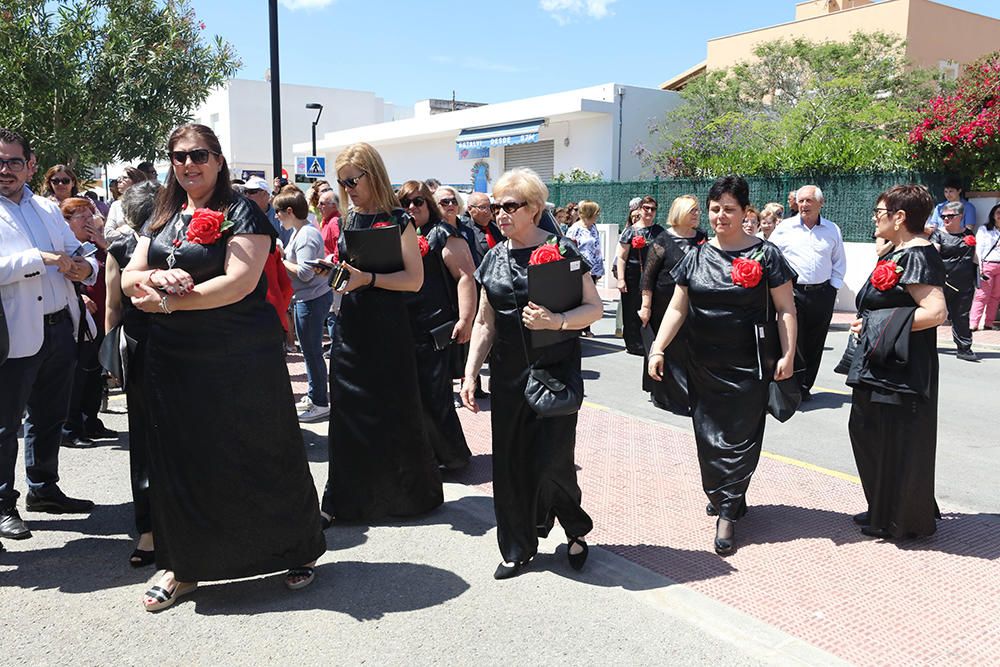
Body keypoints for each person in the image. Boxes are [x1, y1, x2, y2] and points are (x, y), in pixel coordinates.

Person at [120, 123, 324, 610]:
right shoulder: (161, 214)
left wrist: (164, 304)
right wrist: (153, 277)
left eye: (199, 155)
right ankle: (182, 566)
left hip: (239, 357)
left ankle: (293, 549)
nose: (188, 164)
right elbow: (129, 276)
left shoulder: (242, 213)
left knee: (260, 449)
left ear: (217, 160)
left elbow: (237, 283)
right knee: (182, 458)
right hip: (174, 359)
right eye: (179, 156)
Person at [460, 167, 603, 579]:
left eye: (509, 206)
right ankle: (517, 547)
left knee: (553, 463)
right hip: (507, 377)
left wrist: (556, 321)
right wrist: (471, 374)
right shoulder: (494, 256)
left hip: (553, 373)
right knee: (510, 464)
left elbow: (592, 308)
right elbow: (485, 322)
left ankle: (574, 529)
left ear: (535, 209)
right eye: (495, 207)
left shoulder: (562, 250)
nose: (500, 215)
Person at [647, 175, 797, 556]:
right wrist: (658, 348)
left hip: (749, 366)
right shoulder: (696, 255)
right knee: (709, 437)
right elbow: (678, 307)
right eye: (714, 209)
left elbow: (785, 309)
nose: (720, 216)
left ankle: (728, 510)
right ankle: (725, 492)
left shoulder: (766, 255)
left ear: (746, 212)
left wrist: (788, 354)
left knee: (742, 438)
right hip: (703, 365)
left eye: (729, 209)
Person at [318, 142, 443, 524]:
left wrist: (366, 278)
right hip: (352, 326)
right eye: (342, 182)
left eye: (353, 180)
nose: (348, 188)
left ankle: (404, 498)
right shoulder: (347, 219)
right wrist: (335, 273)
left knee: (395, 411)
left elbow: (414, 280)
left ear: (372, 174)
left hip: (389, 327)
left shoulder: (399, 220)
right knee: (348, 412)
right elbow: (350, 274)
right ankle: (345, 501)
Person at [0, 127, 98, 542]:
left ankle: (43, 489)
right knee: (5, 425)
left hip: (59, 325)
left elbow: (78, 254)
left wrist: (84, 268)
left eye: (13, 162)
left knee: (49, 414)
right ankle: (4, 504)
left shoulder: (44, 207)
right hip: (13, 333)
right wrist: (35, 259)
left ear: (30, 165)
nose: (5, 170)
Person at [847, 185, 947, 539]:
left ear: (899, 217)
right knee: (872, 433)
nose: (875, 219)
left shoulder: (917, 254)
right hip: (884, 363)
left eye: (880, 213)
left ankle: (899, 516)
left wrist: (875, 325)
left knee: (893, 437)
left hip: (902, 368)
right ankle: (884, 507)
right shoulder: (899, 252)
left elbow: (935, 312)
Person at [399, 180, 475, 469]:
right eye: (405, 202)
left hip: (436, 328)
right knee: (416, 396)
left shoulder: (443, 233)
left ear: (428, 204)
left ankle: (454, 456)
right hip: (408, 325)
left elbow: (466, 276)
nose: (411, 207)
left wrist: (466, 319)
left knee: (435, 395)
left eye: (418, 201)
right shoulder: (403, 233)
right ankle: (430, 455)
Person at [105, 180, 161, 567]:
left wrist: (112, 362)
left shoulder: (120, 248)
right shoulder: (160, 245)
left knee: (144, 440)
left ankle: (149, 532)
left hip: (141, 347)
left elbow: (112, 308)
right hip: (163, 346)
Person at [768, 185, 846, 401]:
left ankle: (805, 387)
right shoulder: (785, 228)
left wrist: (833, 288)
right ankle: (791, 388)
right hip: (792, 294)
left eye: (809, 201)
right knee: (794, 342)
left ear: (821, 203)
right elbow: (770, 256)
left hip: (822, 293)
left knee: (815, 342)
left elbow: (838, 261)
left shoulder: (832, 230)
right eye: (800, 201)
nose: (803, 205)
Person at [639, 195, 706, 414]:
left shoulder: (702, 238)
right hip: (664, 304)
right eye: (693, 210)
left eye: (698, 211)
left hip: (693, 303)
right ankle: (665, 395)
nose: (697, 214)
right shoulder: (663, 239)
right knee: (667, 348)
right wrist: (646, 306)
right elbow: (648, 277)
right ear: (681, 212)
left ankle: (688, 394)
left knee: (689, 350)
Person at [60, 197, 116, 447]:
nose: (87, 220)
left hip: (100, 319)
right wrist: (80, 295)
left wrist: (104, 243)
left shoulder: (97, 246)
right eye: (80, 216)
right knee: (76, 376)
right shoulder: (65, 247)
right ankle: (70, 428)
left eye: (89, 214)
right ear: (66, 222)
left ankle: (90, 420)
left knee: (94, 374)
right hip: (77, 320)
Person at [275, 187, 334, 423]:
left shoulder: (306, 234)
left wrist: (281, 260)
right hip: (308, 299)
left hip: (311, 299)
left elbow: (305, 273)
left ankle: (320, 401)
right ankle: (315, 396)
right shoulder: (303, 231)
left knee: (312, 353)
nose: (277, 216)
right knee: (311, 353)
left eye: (279, 212)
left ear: (290, 211)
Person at [930, 201, 979, 361]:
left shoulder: (969, 236)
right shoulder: (938, 234)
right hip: (942, 283)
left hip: (964, 283)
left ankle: (964, 348)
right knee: (933, 314)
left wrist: (980, 274)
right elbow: (933, 256)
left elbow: (974, 258)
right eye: (943, 216)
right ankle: (923, 345)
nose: (945, 219)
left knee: (961, 316)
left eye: (950, 216)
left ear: (961, 216)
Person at [435, 186, 475, 380]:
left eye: (453, 201)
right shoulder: (433, 232)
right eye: (444, 202)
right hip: (444, 299)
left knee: (465, 348)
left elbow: (470, 269)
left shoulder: (467, 230)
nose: (450, 205)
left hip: (466, 295)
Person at [617, 196, 664, 355]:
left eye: (653, 209)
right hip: (633, 275)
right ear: (640, 210)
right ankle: (633, 343)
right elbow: (622, 257)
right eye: (646, 208)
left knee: (653, 308)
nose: (649, 212)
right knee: (631, 309)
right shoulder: (630, 231)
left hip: (654, 276)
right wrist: (621, 279)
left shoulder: (660, 231)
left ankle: (650, 341)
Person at [565, 200, 606, 336]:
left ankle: (587, 328)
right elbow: (567, 250)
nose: (598, 215)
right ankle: (576, 327)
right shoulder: (574, 229)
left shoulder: (593, 227)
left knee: (589, 299)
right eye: (596, 213)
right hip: (578, 270)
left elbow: (597, 248)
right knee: (578, 299)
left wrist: (599, 269)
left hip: (592, 269)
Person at [971, 203, 1000, 331]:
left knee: (995, 296)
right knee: (981, 296)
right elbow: (978, 248)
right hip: (987, 265)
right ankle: (973, 323)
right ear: (993, 215)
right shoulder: (984, 229)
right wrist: (980, 266)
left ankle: (989, 323)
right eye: (998, 213)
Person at [103, 167, 148, 239]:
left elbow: (147, 230)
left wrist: (124, 229)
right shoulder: (116, 205)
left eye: (125, 178)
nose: (119, 181)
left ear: (136, 181)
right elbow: (108, 234)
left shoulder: (146, 204)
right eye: (119, 178)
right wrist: (131, 233)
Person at [463, 191, 501, 267]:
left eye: (489, 207)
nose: (487, 211)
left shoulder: (499, 228)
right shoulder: (464, 232)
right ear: (470, 209)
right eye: (482, 207)